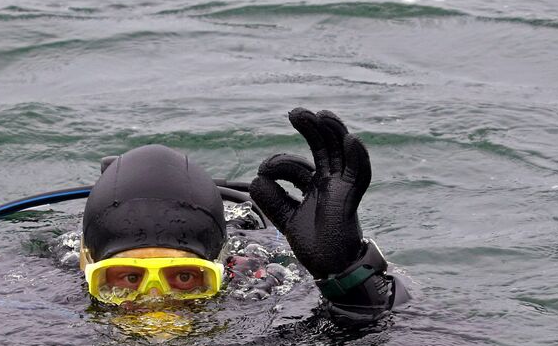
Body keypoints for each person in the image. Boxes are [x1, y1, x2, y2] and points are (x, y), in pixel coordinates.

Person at [79, 108, 410, 326]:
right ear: (86, 266)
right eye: (127, 278)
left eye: (184, 278)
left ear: (224, 267)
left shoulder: (265, 295)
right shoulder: (38, 305)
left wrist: (351, 281)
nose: (156, 312)